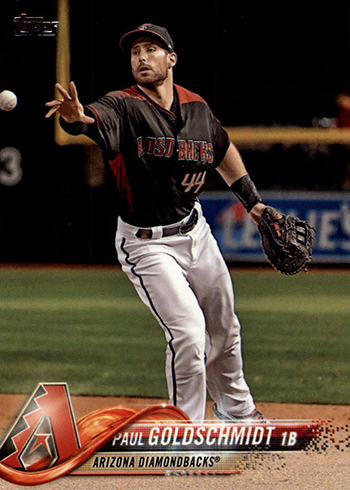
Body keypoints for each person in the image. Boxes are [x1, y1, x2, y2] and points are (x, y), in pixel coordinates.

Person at [45, 24, 267, 423]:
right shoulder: (123, 105)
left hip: (196, 232)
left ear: (171, 59)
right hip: (147, 244)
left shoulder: (196, 107)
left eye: (151, 49)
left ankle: (239, 413)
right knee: (188, 334)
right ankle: (185, 435)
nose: (141, 58)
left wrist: (253, 202)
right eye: (134, 53)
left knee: (225, 329)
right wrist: (75, 117)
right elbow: (92, 121)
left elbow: (222, 148)